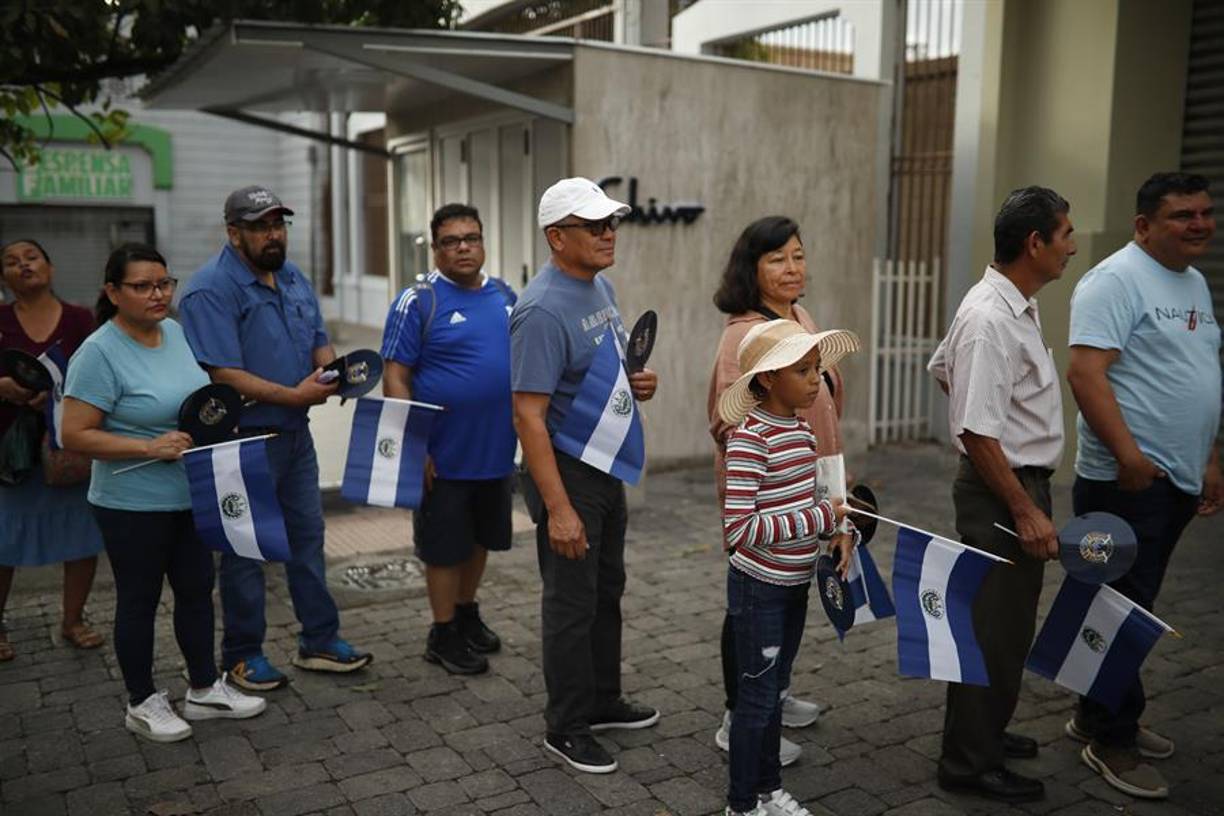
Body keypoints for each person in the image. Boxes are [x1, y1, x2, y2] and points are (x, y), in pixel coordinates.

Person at [60, 243, 265, 741]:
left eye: (164, 284)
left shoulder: (174, 332)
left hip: (188, 493)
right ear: (113, 292)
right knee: (139, 599)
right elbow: (74, 434)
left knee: (196, 590)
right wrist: (147, 447)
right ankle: (141, 701)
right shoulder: (99, 352)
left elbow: (190, 403)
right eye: (142, 286)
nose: (158, 294)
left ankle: (203, 688)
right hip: (131, 502)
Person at [1064, 172, 1221, 800]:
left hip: (1173, 479)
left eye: (1205, 212)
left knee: (1129, 604)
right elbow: (1085, 373)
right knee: (1118, 609)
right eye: (1183, 215)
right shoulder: (1114, 280)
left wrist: (1208, 457)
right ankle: (1112, 738)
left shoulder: (1194, 281)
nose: (1199, 224)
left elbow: (1196, 369)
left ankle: (1095, 715)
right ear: (1143, 225)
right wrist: (1128, 457)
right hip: (1124, 482)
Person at [177, 186, 371, 691]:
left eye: (278, 224)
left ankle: (319, 640)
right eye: (260, 226)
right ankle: (243, 655)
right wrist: (294, 395)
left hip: (294, 437)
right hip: (241, 440)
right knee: (246, 551)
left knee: (308, 540)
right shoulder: (210, 290)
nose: (273, 235)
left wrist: (333, 375)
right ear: (233, 233)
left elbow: (319, 340)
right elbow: (223, 374)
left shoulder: (292, 276)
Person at [927, 187, 1075, 803]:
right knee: (994, 631)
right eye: (1065, 234)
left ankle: (983, 732)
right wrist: (1022, 507)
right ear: (1035, 243)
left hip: (1009, 482)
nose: (1072, 246)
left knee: (1001, 628)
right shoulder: (991, 317)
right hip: (1003, 492)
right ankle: (969, 762)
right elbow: (975, 429)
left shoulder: (1010, 303)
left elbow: (945, 371)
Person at [511, 177, 661, 774]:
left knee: (605, 589)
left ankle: (601, 700)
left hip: (604, 464)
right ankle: (566, 726)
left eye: (611, 223)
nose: (608, 233)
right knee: (570, 604)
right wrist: (559, 509)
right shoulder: (541, 311)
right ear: (557, 237)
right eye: (594, 225)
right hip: (567, 472)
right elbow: (528, 415)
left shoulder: (600, 285)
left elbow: (601, 370)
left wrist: (635, 382)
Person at [707, 216, 846, 764]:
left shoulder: (801, 317)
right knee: (752, 605)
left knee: (792, 596)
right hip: (767, 495)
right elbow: (728, 419)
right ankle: (739, 714)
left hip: (811, 479)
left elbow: (825, 399)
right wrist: (778, 458)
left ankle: (775, 695)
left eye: (798, 255)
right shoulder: (742, 335)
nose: (792, 268)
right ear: (752, 269)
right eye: (777, 259)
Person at [717, 319, 857, 816]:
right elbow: (739, 528)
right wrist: (820, 516)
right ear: (768, 378)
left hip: (794, 585)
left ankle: (768, 791)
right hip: (759, 588)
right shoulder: (750, 439)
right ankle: (741, 805)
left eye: (817, 368)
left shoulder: (801, 431)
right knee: (756, 699)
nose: (816, 379)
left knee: (775, 691)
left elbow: (803, 505)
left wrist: (838, 531)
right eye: (803, 370)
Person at [381, 203, 516, 675]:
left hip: (495, 448)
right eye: (451, 241)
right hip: (442, 454)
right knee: (443, 547)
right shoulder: (418, 301)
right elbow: (395, 375)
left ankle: (465, 612)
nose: (463, 248)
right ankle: (441, 634)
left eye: (471, 238)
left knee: (481, 538)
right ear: (435, 249)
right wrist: (414, 445)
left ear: (483, 243)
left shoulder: (504, 294)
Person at [0, 239, 105, 662]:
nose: (23, 266)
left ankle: (73, 621)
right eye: (12, 262)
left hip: (69, 448)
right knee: (4, 537)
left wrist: (63, 394)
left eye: (32, 258)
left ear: (50, 267)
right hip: (10, 453)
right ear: (4, 277)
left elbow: (100, 373)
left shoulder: (80, 319)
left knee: (80, 535)